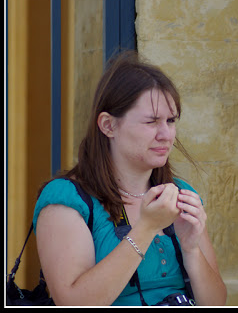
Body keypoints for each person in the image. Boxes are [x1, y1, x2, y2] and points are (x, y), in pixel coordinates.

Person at [33, 50, 227, 306]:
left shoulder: (180, 193)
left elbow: (216, 303)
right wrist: (145, 229)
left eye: (170, 120)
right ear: (108, 126)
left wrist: (191, 249)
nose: (166, 134)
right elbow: (73, 303)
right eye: (151, 122)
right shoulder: (67, 199)